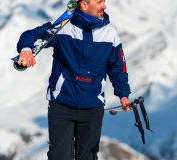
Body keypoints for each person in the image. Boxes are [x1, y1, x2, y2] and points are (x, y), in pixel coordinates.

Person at [16, 0, 131, 159]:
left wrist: (123, 94)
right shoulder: (63, 27)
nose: (104, 6)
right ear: (84, 5)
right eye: (99, 2)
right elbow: (30, 35)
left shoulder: (110, 33)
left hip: (92, 109)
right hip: (61, 107)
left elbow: (118, 67)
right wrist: (26, 50)